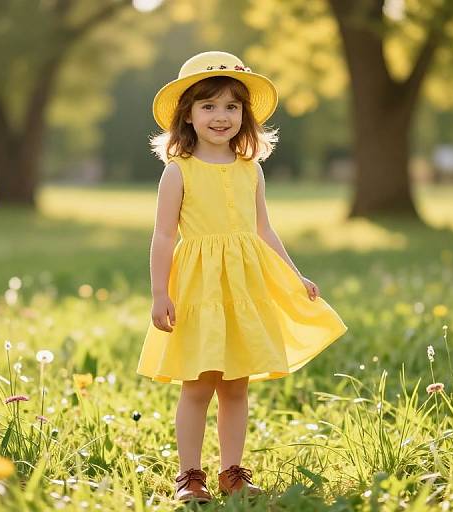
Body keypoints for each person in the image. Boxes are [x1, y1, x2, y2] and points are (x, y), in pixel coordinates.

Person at [136, 51, 348, 504]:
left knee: (236, 384)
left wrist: (294, 275)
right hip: (198, 290)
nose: (221, 116)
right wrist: (159, 292)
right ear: (188, 116)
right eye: (208, 106)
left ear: (243, 116)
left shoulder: (250, 169)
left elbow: (264, 229)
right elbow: (162, 235)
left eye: (232, 106)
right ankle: (189, 475)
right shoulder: (179, 171)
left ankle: (232, 471)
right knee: (198, 384)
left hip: (243, 288)